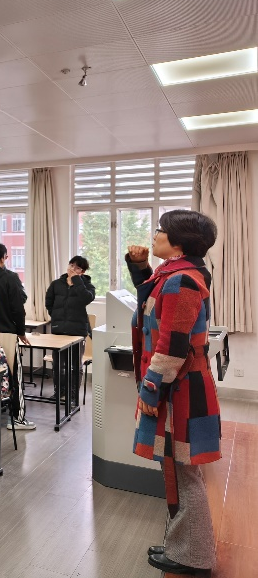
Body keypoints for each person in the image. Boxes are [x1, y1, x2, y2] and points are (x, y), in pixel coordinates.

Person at [127, 211, 220, 576]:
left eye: (161, 230)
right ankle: (182, 545)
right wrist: (140, 267)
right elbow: (151, 300)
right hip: (179, 384)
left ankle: (194, 556)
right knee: (176, 468)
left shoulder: (181, 280)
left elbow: (171, 347)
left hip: (179, 387)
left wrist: (150, 393)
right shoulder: (176, 273)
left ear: (178, 242)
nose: (155, 235)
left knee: (184, 471)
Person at [0, 242, 35, 431]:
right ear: (3, 258)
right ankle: (17, 418)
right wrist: (21, 331)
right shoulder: (10, 277)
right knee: (13, 376)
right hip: (6, 334)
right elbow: (18, 308)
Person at [45, 256, 95, 402]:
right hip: (59, 330)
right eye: (71, 265)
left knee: (75, 365)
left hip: (77, 331)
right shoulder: (56, 284)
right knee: (58, 364)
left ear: (83, 272)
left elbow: (86, 298)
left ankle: (73, 395)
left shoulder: (87, 285)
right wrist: (56, 316)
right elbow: (49, 303)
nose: (72, 269)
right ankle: (59, 391)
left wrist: (77, 281)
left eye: (77, 268)